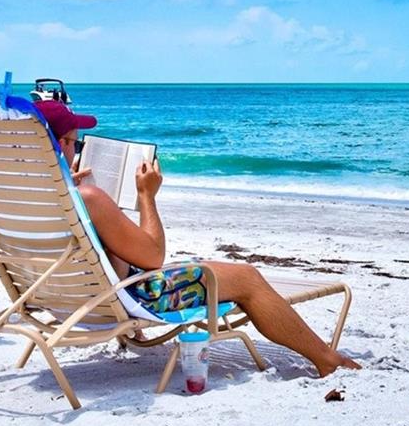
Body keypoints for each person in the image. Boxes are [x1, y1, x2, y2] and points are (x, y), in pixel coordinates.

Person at [31, 100, 360, 378]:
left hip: (60, 300)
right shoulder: (87, 198)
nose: (77, 148)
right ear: (61, 144)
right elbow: (153, 258)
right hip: (126, 298)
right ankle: (327, 359)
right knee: (247, 278)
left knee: (214, 270)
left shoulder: (25, 198)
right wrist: (146, 196)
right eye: (75, 141)